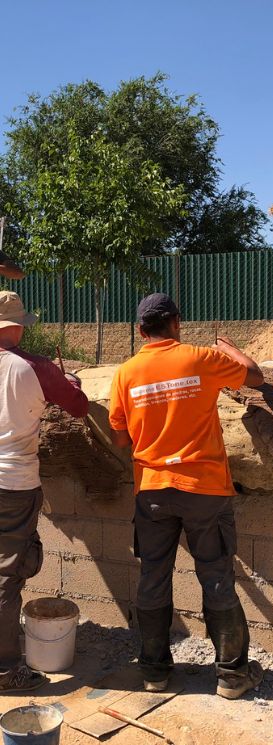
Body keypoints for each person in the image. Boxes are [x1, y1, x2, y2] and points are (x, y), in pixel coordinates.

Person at [109, 292, 265, 700]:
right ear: (176, 322)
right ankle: (232, 676)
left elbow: (121, 438)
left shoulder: (126, 373)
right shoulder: (201, 359)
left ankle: (155, 674)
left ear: (141, 331)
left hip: (153, 491)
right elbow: (255, 377)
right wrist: (233, 350)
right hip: (204, 490)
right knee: (215, 575)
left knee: (153, 575)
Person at [0, 290, 88, 692]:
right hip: (13, 483)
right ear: (16, 325)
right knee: (6, 577)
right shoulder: (34, 366)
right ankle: (5, 669)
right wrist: (67, 382)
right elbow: (79, 406)